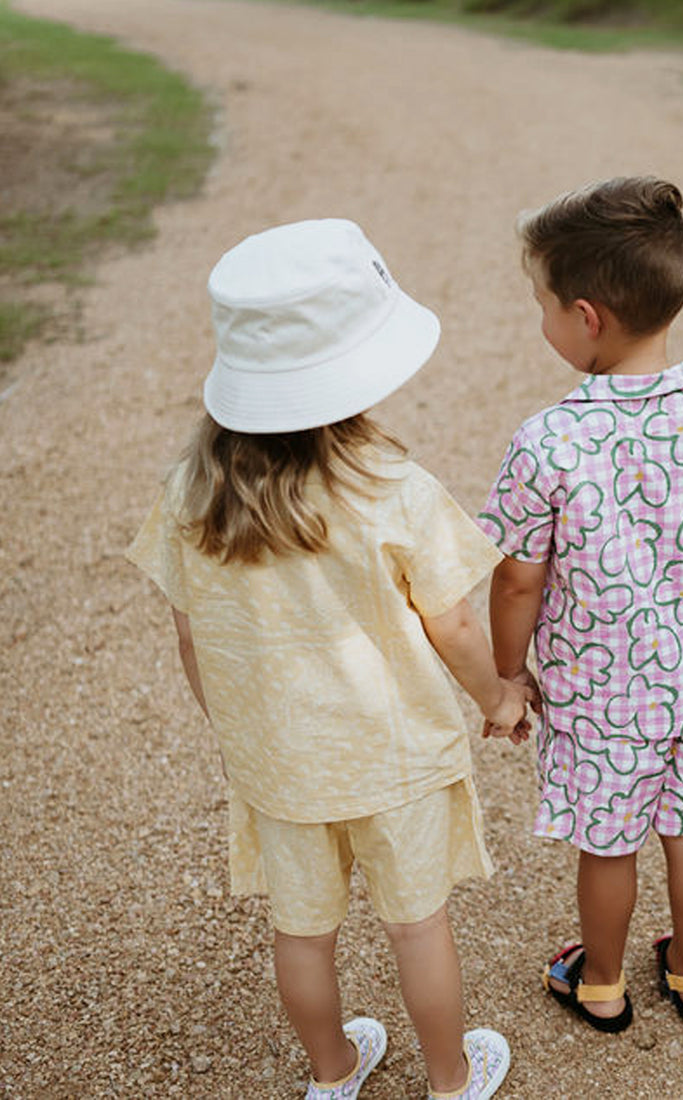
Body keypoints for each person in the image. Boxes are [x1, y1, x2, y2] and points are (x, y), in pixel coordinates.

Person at [127, 219, 522, 1099]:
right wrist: (498, 696)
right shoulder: (392, 489)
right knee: (419, 927)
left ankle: (332, 1073)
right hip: (395, 757)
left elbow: (192, 636)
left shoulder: (191, 492)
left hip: (279, 767)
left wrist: (241, 732)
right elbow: (454, 624)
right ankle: (452, 1081)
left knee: (300, 934)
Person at [477, 177, 683, 1032]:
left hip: (598, 691)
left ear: (587, 317)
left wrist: (509, 670)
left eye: (541, 306)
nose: (541, 323)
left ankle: (601, 982)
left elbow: (516, 577)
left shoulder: (549, 440)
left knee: (607, 841)